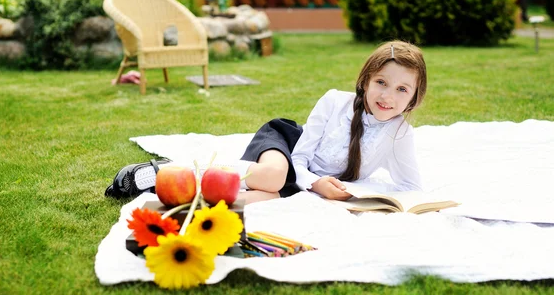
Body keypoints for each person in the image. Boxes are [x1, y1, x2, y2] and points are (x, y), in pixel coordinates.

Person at [105, 40, 427, 205]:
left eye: (402, 89)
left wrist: (373, 200)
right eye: (382, 83)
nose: (388, 96)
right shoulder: (335, 101)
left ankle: (177, 190)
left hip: (297, 186)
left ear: (413, 97)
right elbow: (299, 159)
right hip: (286, 145)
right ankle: (174, 168)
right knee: (274, 176)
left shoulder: (400, 134)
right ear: (366, 81)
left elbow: (411, 187)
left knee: (261, 201)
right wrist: (316, 183)